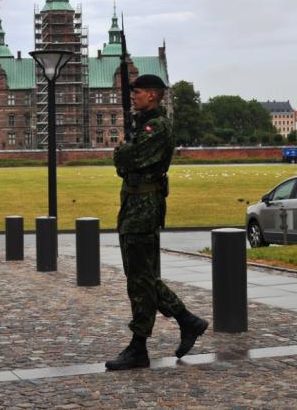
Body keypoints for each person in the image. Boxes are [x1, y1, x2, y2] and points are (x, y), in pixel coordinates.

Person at [105, 74, 208, 371]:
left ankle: (141, 346)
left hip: (143, 209)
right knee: (141, 276)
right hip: (134, 207)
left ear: (152, 95)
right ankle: (187, 321)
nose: (132, 96)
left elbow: (127, 160)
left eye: (137, 92)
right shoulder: (145, 125)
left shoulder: (157, 127)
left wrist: (121, 148)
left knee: (141, 278)